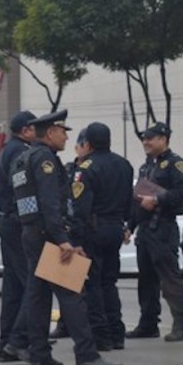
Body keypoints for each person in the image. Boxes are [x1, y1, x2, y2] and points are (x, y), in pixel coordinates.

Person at [10, 110, 122, 365]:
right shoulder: (45, 160)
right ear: (50, 133)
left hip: (30, 233)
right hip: (49, 236)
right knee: (73, 294)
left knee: (38, 296)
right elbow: (50, 204)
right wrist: (63, 239)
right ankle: (86, 355)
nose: (65, 136)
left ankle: (39, 354)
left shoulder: (23, 159)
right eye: (63, 130)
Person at [67, 122, 134, 351]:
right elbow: (129, 201)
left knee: (93, 283)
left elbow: (80, 209)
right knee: (109, 282)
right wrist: (127, 225)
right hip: (116, 228)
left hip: (93, 231)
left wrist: (75, 240)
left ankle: (101, 336)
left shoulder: (85, 169)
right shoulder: (124, 165)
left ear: (88, 144)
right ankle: (117, 333)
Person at [125, 122, 183, 342]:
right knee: (146, 280)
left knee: (169, 278)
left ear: (163, 139)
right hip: (145, 230)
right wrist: (130, 227)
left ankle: (182, 325)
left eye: (150, 138)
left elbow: (182, 193)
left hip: (163, 228)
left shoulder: (176, 164)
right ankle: (148, 324)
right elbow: (137, 200)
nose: (146, 142)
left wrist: (157, 199)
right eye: (144, 138)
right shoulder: (146, 166)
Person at [0, 110, 36, 363]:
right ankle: (18, 341)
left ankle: (6, 343)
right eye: (34, 128)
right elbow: (22, 190)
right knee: (32, 284)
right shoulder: (21, 152)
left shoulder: (7, 149)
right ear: (25, 130)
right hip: (18, 223)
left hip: (7, 221)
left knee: (13, 286)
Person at [50, 129, 94, 340]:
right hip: (69, 231)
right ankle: (66, 326)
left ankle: (84, 333)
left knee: (78, 286)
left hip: (83, 230)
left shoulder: (88, 170)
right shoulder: (68, 169)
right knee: (70, 285)